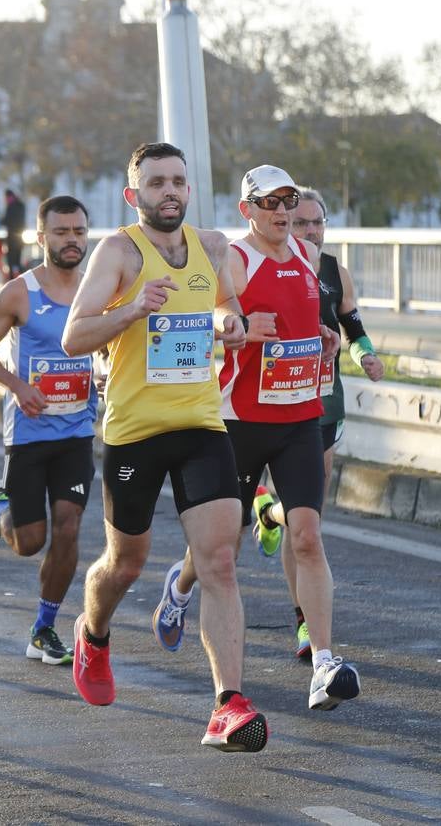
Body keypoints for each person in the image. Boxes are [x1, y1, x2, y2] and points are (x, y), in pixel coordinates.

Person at [60, 142, 268, 752]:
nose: (169, 191)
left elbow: (225, 305)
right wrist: (129, 311)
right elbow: (75, 335)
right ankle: (93, 635)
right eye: (156, 183)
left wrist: (228, 321)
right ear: (135, 195)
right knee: (125, 562)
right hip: (135, 432)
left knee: (220, 559)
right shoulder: (118, 252)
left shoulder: (214, 247)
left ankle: (227, 704)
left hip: (201, 422)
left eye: (178, 180)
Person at [152, 163, 357, 716]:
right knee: (224, 547)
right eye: (269, 203)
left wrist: (322, 336)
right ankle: (179, 585)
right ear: (248, 210)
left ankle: (323, 662)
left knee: (307, 535)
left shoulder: (309, 257)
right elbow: (215, 312)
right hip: (240, 422)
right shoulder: (237, 258)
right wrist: (237, 325)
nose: (282, 211)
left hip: (299, 419)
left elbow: (304, 317)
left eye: (288, 200)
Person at [0, 195, 96, 665]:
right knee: (29, 543)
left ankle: (44, 627)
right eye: (61, 232)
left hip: (77, 430)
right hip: (28, 432)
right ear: (41, 238)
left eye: (79, 232)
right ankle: (0, 502)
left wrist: (102, 372)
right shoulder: (20, 293)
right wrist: (18, 385)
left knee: (69, 527)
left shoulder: (97, 290)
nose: (71, 240)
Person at [258, 187, 385, 660]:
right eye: (301, 221)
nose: (309, 230)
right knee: (302, 524)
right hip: (274, 401)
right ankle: (304, 623)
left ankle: (269, 514)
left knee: (307, 517)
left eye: (317, 222)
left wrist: (366, 355)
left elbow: (352, 325)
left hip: (324, 400)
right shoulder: (263, 261)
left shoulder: (334, 271)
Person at [2, 188, 26, 279]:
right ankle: (21, 280)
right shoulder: (21, 206)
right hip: (19, 238)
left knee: (11, 261)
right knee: (18, 261)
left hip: (12, 239)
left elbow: (6, 221)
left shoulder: (11, 206)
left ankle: (12, 280)